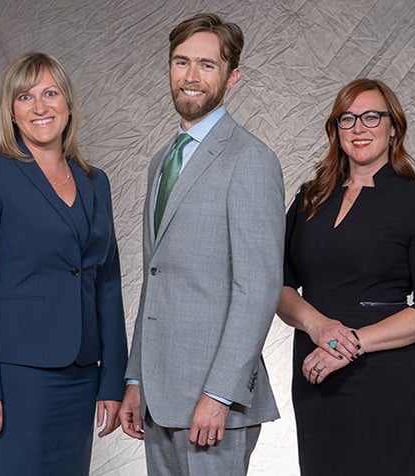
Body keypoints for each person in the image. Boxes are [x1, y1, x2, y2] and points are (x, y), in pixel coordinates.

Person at [119, 13, 285, 475]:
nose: (191, 77)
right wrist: (136, 378)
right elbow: (155, 280)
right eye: (181, 62)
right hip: (158, 397)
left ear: (232, 77)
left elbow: (260, 287)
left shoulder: (250, 159)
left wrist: (220, 394)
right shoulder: (160, 162)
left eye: (207, 65)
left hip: (214, 408)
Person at [277, 78, 415, 475]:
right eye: (348, 118)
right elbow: (279, 284)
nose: (359, 128)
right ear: (335, 130)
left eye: (372, 117)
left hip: (384, 373)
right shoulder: (310, 198)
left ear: (394, 128)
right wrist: (318, 327)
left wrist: (349, 343)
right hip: (314, 367)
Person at [0, 52, 127, 475]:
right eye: (25, 97)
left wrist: (113, 378)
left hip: (83, 375)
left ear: (68, 103)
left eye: (50, 93)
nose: (40, 107)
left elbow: (107, 282)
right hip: (18, 379)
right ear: (10, 112)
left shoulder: (94, 181)